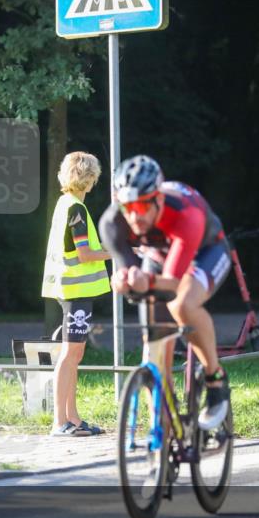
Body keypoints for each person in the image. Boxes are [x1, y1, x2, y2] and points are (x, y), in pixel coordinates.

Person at [98, 155, 232, 430]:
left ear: (158, 199)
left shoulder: (186, 214)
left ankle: (215, 378)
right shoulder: (112, 223)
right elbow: (131, 273)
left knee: (182, 305)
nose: (135, 216)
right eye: (128, 207)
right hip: (158, 257)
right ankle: (164, 443)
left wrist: (144, 280)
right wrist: (124, 281)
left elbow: (172, 282)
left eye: (143, 206)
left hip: (204, 252)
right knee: (156, 352)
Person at [42, 151, 112, 437]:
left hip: (69, 288)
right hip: (76, 290)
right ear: (91, 179)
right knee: (71, 354)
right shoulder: (76, 209)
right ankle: (60, 422)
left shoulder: (64, 204)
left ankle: (73, 418)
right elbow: (84, 254)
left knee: (74, 353)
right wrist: (119, 252)